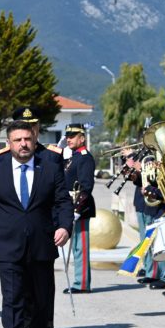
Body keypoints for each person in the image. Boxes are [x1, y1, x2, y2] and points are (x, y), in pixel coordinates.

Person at [0, 120, 72, 328]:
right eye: (18, 140)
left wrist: (64, 226)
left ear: (34, 140)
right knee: (12, 300)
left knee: (41, 301)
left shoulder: (50, 168)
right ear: (8, 144)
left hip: (42, 246)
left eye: (27, 139)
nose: (23, 144)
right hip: (9, 248)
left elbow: (63, 202)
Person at [0, 106, 66, 328]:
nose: (29, 132)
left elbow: (59, 199)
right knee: (17, 291)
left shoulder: (51, 156)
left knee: (43, 290)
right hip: (14, 237)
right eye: (24, 128)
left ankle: (45, 326)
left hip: (43, 233)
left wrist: (60, 226)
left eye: (33, 127)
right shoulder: (3, 157)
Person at [63, 123, 96, 293]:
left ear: (82, 138)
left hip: (80, 208)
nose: (69, 139)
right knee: (76, 246)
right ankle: (78, 280)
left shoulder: (84, 157)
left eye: (73, 136)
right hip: (71, 206)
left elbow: (86, 186)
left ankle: (82, 283)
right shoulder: (73, 157)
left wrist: (77, 209)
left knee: (80, 246)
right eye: (67, 136)